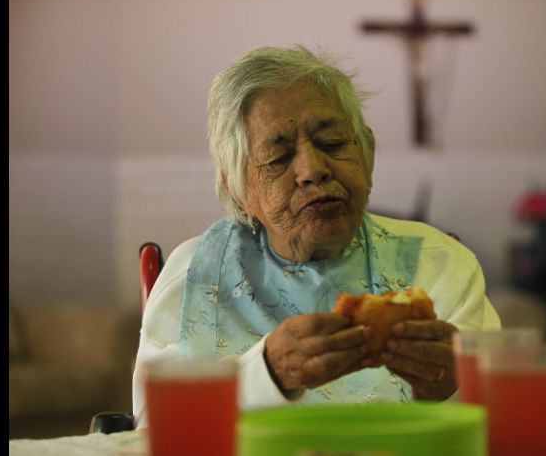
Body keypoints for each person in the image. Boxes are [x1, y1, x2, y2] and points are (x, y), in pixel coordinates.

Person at [131, 45, 501, 428]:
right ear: (238, 189)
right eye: (278, 157)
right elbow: (151, 426)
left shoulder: (438, 263)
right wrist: (267, 372)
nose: (312, 170)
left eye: (333, 143)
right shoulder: (195, 272)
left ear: (368, 155)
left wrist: (452, 387)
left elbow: (498, 421)